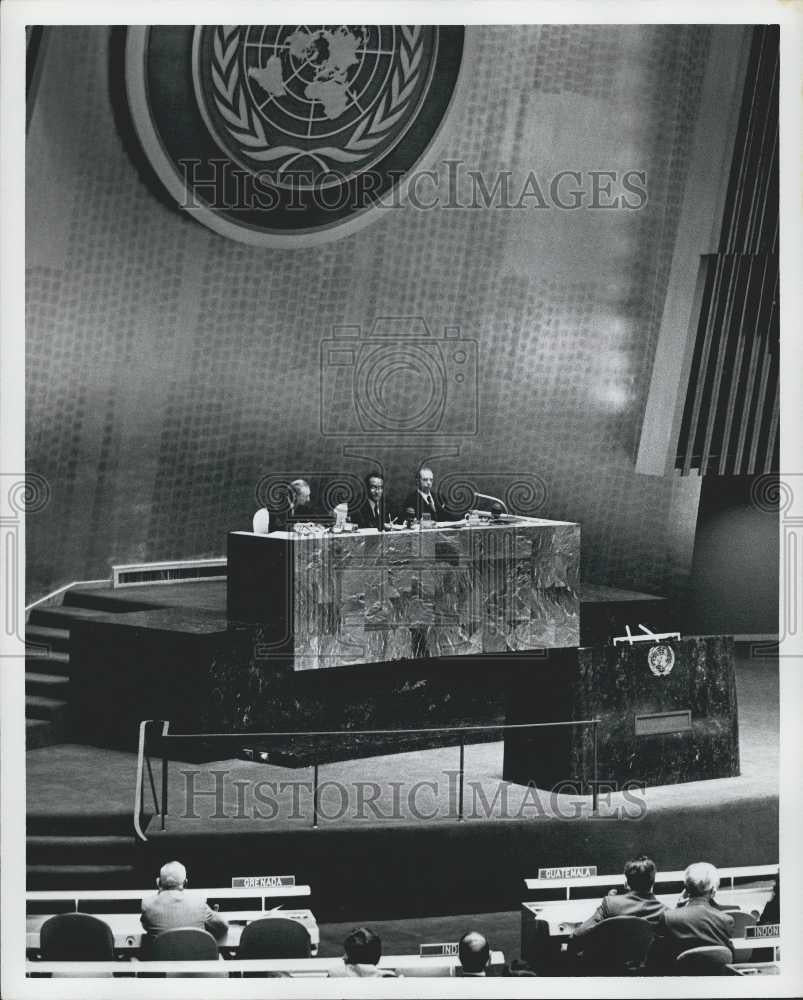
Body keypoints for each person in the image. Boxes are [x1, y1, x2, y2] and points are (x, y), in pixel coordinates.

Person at [648, 862, 735, 970]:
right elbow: (732, 958)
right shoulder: (725, 920)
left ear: (686, 889)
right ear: (713, 891)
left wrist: (676, 910)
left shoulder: (669, 918)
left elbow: (654, 960)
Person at [572, 855, 667, 940]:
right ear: (653, 883)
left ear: (626, 884)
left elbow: (577, 935)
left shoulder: (610, 904)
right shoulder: (665, 913)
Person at [140, 861, 228, 942]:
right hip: (195, 958)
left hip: (163, 958)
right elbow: (223, 927)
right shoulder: (199, 903)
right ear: (185, 883)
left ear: (158, 882)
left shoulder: (147, 904)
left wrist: (160, 891)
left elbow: (147, 927)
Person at [328, 927, 397, 977]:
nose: (343, 957)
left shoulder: (334, 974)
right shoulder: (389, 978)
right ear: (377, 955)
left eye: (346, 952)